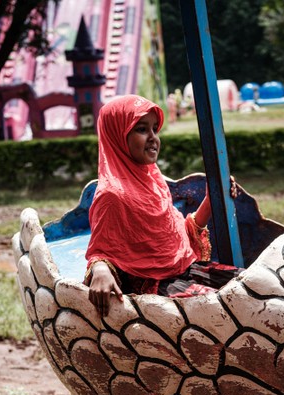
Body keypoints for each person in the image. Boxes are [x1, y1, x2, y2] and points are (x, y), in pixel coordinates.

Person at [85, 95, 240, 316]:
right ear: (117, 136)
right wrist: (100, 269)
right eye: (141, 129)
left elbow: (177, 235)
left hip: (186, 273)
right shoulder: (111, 195)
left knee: (249, 286)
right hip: (156, 290)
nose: (153, 138)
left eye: (155, 129)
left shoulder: (153, 180)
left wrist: (214, 199)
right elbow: (100, 251)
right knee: (227, 308)